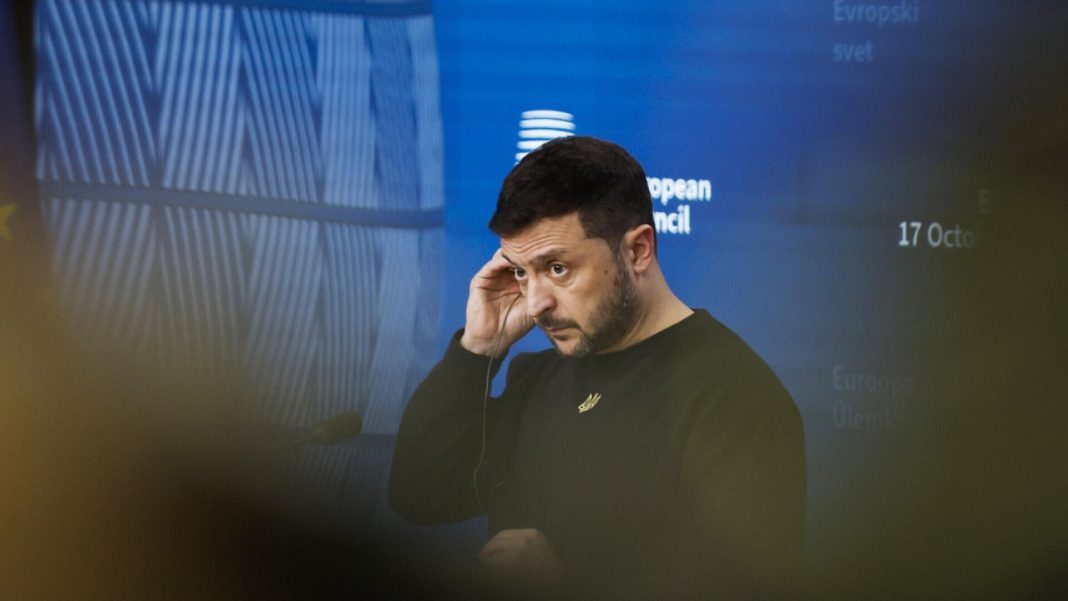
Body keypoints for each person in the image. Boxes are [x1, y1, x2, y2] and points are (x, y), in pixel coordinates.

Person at [389, 136, 805, 599]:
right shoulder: (538, 377)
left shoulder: (735, 398)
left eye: (557, 268)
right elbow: (422, 494)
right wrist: (479, 347)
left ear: (638, 250)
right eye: (521, 272)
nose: (536, 302)